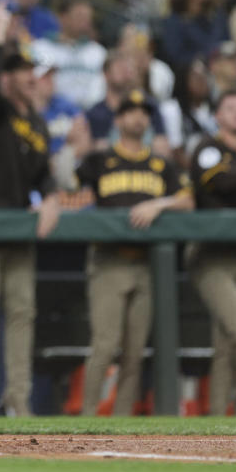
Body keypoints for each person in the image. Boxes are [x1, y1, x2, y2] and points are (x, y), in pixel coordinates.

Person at [0, 0, 62, 417]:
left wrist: (53, 197)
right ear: (7, 77)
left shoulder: (36, 121)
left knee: (22, 311)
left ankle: (18, 399)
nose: (26, 76)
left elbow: (43, 174)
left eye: (29, 70)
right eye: (18, 70)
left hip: (21, 222)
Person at [74, 90, 192, 416]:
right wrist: (74, 150)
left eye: (143, 111)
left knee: (135, 351)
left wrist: (160, 202)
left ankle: (122, 420)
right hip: (108, 260)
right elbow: (67, 188)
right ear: (118, 118)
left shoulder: (160, 164)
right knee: (104, 344)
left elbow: (189, 200)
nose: (137, 116)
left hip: (145, 264)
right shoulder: (99, 160)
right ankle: (87, 416)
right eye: (129, 110)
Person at [188, 86, 236, 416]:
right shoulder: (208, 147)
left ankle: (219, 419)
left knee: (225, 344)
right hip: (209, 254)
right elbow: (220, 182)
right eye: (230, 107)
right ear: (217, 114)